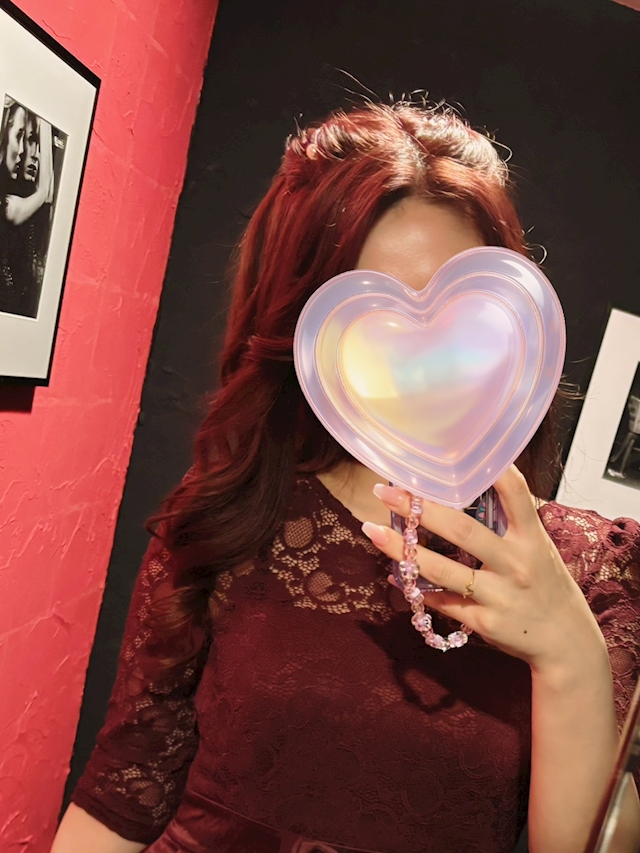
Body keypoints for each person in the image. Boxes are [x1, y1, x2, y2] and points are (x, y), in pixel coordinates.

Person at [52, 101, 640, 853]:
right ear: (309, 336)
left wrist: (570, 656)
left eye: (460, 317)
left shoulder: (593, 572)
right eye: (376, 323)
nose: (423, 363)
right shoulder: (229, 526)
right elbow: (123, 794)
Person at [0, 99, 53, 316]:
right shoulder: (6, 206)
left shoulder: (18, 195)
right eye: (22, 137)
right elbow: (46, 191)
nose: (24, 151)